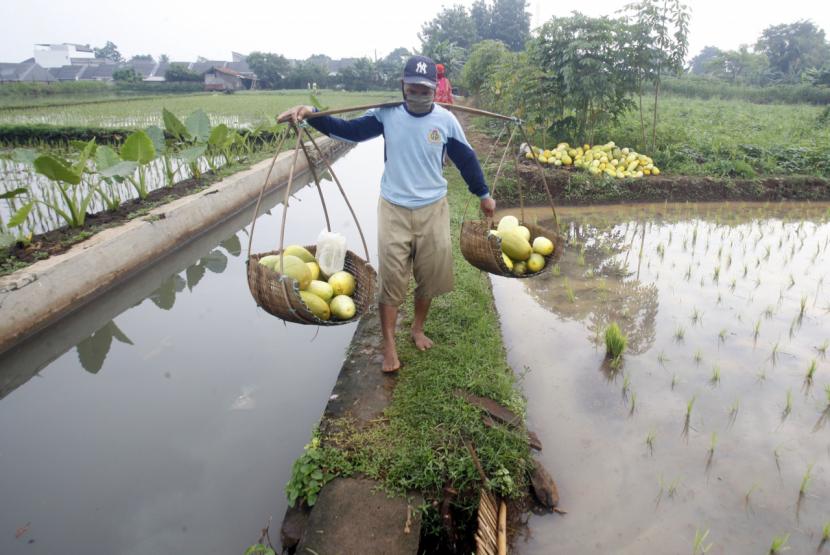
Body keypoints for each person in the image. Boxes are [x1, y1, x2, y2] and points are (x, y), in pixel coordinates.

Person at [278, 55, 495, 373]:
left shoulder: (445, 121)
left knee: (431, 275)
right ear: (402, 87)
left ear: (435, 90)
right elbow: (348, 131)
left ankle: (417, 328)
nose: (419, 95)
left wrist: (484, 194)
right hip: (394, 208)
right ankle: (389, 345)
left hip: (433, 207)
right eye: (413, 88)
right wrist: (312, 115)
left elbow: (466, 160)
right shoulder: (386, 114)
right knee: (392, 278)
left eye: (425, 90)